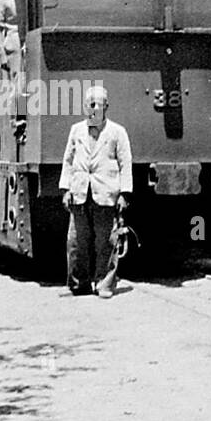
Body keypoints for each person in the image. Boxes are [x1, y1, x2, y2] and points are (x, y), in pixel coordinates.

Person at [59, 85, 133, 298]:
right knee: (76, 242)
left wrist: (124, 194)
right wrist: (66, 189)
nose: (93, 110)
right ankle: (78, 284)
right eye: (89, 105)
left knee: (106, 243)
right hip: (80, 193)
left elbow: (125, 163)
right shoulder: (76, 131)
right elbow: (68, 160)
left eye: (97, 105)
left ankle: (104, 284)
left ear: (106, 107)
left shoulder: (118, 132)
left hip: (106, 193)